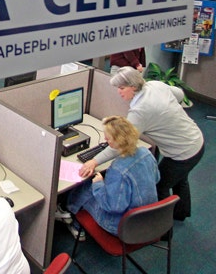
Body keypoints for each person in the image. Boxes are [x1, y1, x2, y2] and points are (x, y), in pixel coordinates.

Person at [79, 67, 205, 221]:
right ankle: (180, 214)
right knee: (180, 179)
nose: (119, 92)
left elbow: (121, 144)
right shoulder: (155, 85)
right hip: (195, 139)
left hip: (182, 152)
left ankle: (162, 229)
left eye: (122, 88)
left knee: (160, 187)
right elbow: (179, 94)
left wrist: (94, 160)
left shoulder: (140, 111)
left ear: (133, 86)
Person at [64, 116, 160, 237]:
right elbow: (156, 178)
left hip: (122, 225)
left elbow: (112, 206)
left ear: (117, 141)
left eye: (108, 138)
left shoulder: (118, 169)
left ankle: (74, 223)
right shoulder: (146, 153)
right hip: (147, 216)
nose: (105, 139)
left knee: (86, 187)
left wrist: (99, 184)